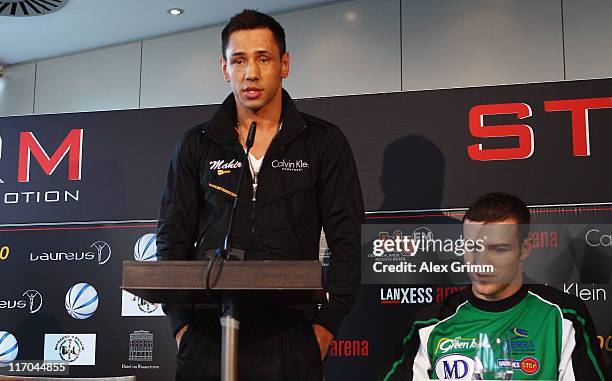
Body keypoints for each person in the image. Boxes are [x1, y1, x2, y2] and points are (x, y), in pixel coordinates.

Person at [156, 9, 365, 381]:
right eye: (239, 60)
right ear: (224, 68)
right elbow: (173, 238)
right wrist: (181, 325)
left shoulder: (323, 141)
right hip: (205, 335)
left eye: (263, 58)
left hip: (292, 336)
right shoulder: (196, 144)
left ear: (284, 64)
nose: (250, 72)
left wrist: (325, 328)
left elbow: (349, 240)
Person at [381, 193, 606, 380]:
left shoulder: (562, 315)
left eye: (498, 250)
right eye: (472, 247)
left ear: (525, 249)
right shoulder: (430, 322)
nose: (481, 263)